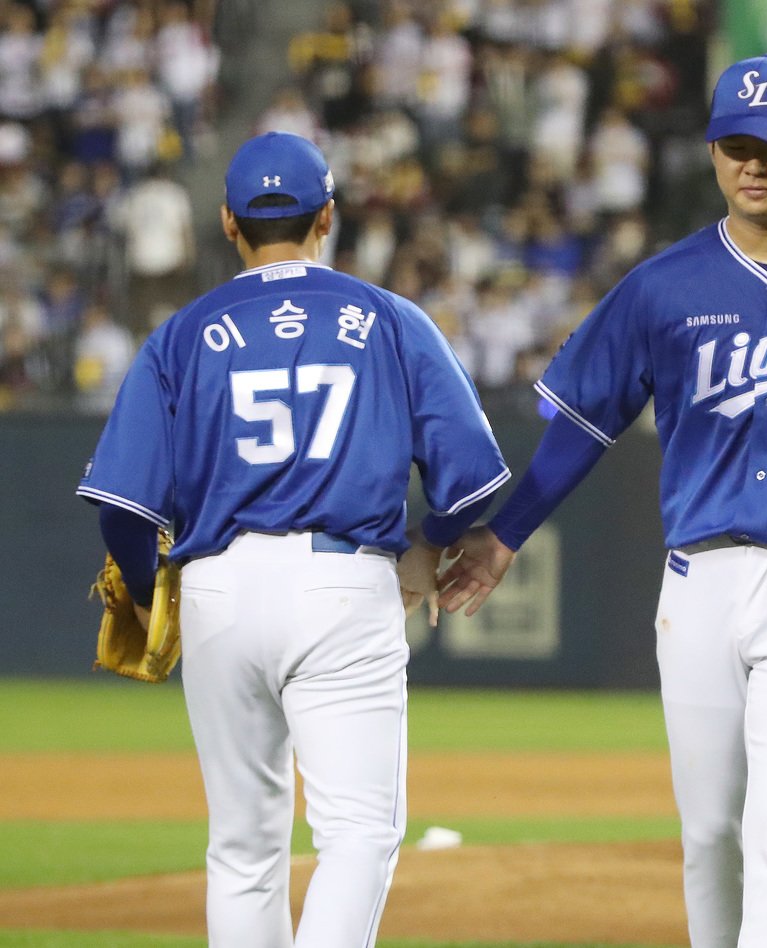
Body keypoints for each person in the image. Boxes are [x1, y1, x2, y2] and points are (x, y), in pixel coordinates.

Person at [432, 54, 767, 948]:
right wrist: (503, 538)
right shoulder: (663, 286)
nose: (753, 165)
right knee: (712, 837)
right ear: (713, 152)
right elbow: (582, 427)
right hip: (700, 586)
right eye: (736, 146)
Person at [75, 131, 509, 947]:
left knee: (241, 847)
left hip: (217, 594)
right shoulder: (387, 318)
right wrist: (432, 542)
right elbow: (475, 481)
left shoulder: (181, 335)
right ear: (329, 217)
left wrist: (143, 587)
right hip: (342, 587)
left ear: (229, 224)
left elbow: (123, 510)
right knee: (358, 834)